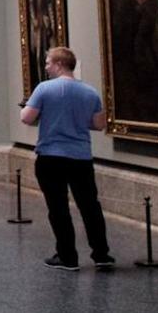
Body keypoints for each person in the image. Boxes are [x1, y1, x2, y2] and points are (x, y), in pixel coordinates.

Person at [20, 47, 114, 271]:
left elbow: (27, 118)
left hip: (51, 156)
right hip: (81, 157)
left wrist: (28, 108)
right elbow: (98, 124)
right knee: (90, 206)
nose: (46, 67)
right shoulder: (90, 92)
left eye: (48, 63)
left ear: (59, 64)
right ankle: (101, 254)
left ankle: (67, 256)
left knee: (58, 207)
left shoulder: (44, 88)